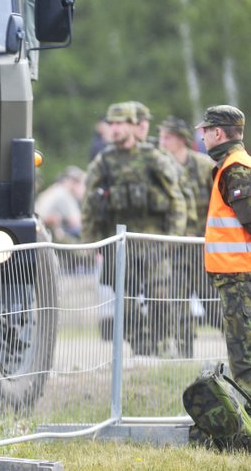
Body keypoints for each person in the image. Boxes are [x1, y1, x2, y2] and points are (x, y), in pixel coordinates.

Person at [82, 101, 187, 356]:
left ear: (132, 125)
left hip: (152, 242)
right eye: (111, 123)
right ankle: (141, 347)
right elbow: (88, 205)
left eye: (120, 123)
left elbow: (176, 200)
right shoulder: (104, 161)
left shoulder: (153, 158)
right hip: (120, 246)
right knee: (125, 304)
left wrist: (173, 239)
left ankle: (162, 344)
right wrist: (92, 243)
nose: (115, 129)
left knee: (160, 296)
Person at [198, 105, 251, 394]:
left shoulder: (235, 169)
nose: (203, 137)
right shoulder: (231, 166)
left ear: (218, 132)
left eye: (205, 131)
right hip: (235, 274)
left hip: (240, 275)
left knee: (244, 358)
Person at [160, 115, 218, 356]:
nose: (162, 141)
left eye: (167, 137)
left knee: (212, 300)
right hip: (174, 246)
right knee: (177, 301)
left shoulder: (204, 165)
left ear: (180, 139)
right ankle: (184, 354)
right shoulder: (159, 167)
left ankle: (239, 347)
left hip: (202, 245)